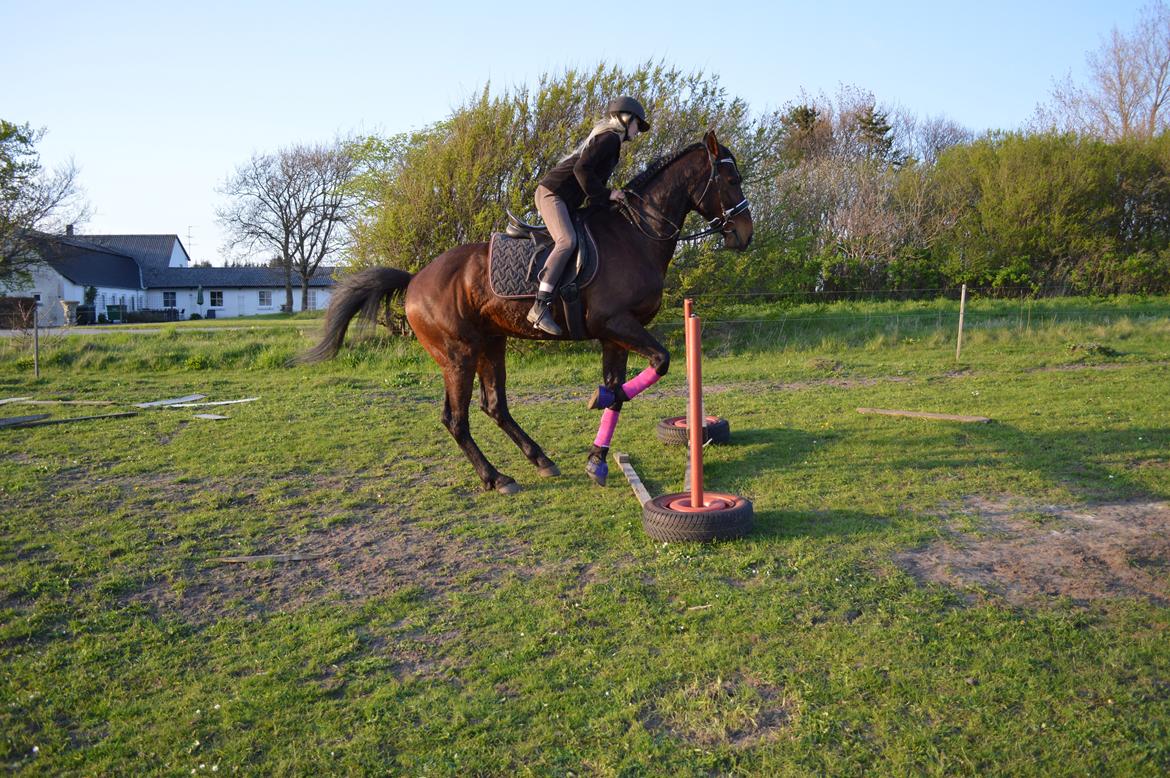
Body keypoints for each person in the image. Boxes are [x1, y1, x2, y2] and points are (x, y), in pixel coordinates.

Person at [526, 96, 650, 336]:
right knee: (567, 241)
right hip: (553, 193)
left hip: (565, 199)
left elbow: (591, 184)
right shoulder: (610, 139)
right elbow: (580, 170)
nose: (638, 131)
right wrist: (608, 194)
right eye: (638, 125)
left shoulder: (612, 143)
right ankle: (540, 306)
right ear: (627, 119)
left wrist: (608, 201)